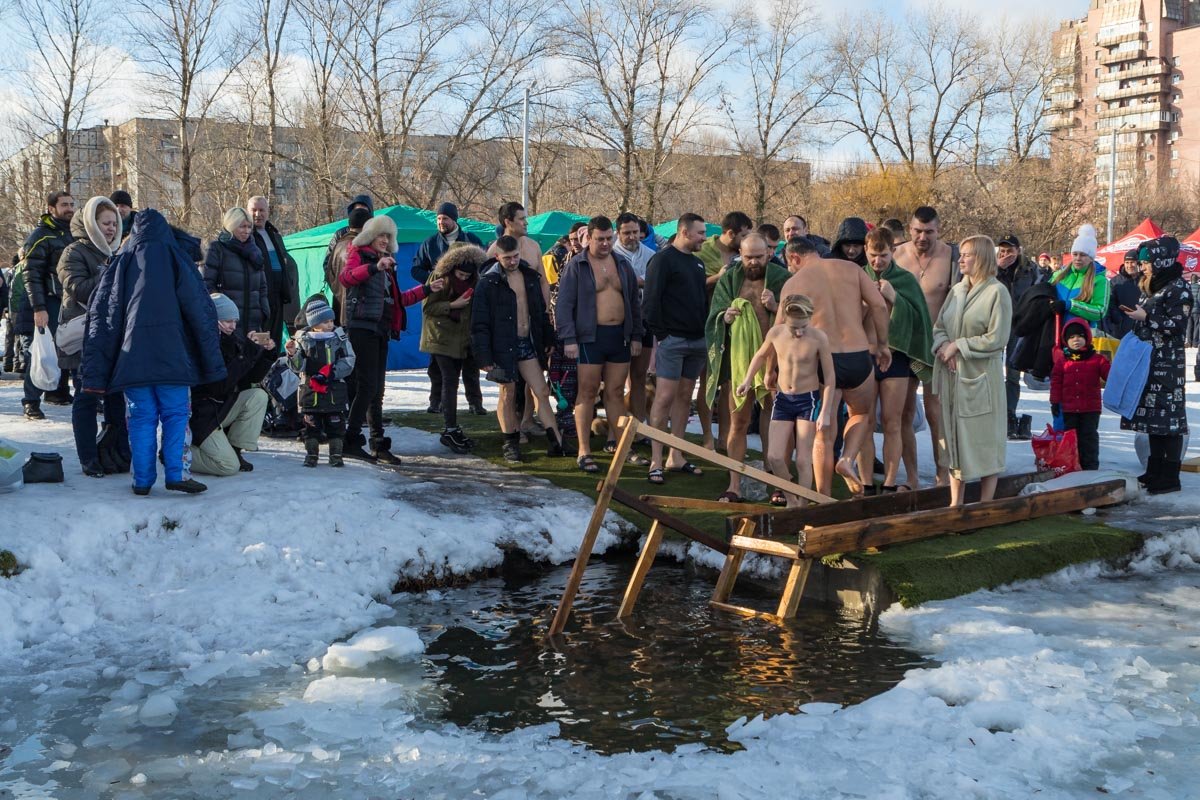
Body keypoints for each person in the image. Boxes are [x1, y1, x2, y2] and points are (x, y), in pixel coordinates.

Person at [80, 209, 225, 496]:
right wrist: (209, 357)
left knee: (141, 418)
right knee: (176, 415)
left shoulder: (121, 263)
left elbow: (103, 316)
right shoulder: (178, 259)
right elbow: (200, 310)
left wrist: (97, 369)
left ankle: (142, 480)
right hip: (174, 358)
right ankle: (177, 473)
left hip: (133, 360)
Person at [776, 236, 890, 496]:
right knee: (861, 414)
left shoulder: (794, 282)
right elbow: (879, 305)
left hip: (820, 361)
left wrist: (773, 369)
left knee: (823, 432)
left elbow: (779, 330)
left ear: (794, 258)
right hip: (857, 355)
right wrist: (883, 344)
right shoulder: (852, 268)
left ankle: (822, 496)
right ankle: (847, 458)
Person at [339, 214, 443, 464]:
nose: (385, 240)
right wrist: (375, 267)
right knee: (367, 386)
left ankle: (377, 443)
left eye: (389, 236)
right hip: (362, 328)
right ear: (370, 236)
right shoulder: (358, 253)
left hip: (381, 330)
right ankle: (350, 439)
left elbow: (399, 300)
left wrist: (427, 289)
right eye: (381, 235)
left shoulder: (387, 264)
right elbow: (346, 278)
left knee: (377, 390)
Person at [706, 232, 790, 502]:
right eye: (748, 257)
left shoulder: (781, 278)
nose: (753, 262)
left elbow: (801, 318)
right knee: (738, 421)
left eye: (759, 256)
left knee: (773, 422)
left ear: (769, 253)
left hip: (775, 360)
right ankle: (734, 485)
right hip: (740, 361)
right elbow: (714, 315)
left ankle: (777, 481)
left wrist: (775, 307)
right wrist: (725, 317)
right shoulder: (730, 279)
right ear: (740, 255)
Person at [931, 235, 1012, 507]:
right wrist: (944, 346)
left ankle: (986, 503)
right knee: (954, 436)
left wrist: (960, 346)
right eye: (961, 254)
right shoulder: (956, 291)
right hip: (953, 377)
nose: (961, 259)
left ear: (982, 258)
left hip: (981, 378)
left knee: (984, 439)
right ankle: (956, 502)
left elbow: (997, 337)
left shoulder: (997, 292)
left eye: (968, 255)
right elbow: (939, 327)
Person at [556, 215, 643, 472]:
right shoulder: (577, 265)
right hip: (590, 337)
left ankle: (622, 446)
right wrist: (569, 339)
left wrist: (636, 335)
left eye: (608, 238)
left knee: (615, 392)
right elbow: (564, 305)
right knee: (587, 392)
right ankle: (584, 450)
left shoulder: (622, 264)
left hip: (619, 336)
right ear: (589, 238)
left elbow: (634, 302)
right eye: (600, 239)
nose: (605, 243)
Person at [471, 235, 564, 462]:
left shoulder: (529, 275)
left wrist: (548, 337)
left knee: (541, 390)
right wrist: (483, 355)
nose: (512, 261)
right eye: (507, 258)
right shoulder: (487, 282)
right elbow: (479, 322)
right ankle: (510, 442)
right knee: (508, 393)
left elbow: (540, 310)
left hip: (527, 341)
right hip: (502, 345)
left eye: (515, 257)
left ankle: (557, 442)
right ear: (497, 257)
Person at [736, 294, 834, 506]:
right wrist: (747, 380)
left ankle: (803, 506)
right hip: (782, 398)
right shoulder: (776, 333)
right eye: (793, 328)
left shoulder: (819, 338)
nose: (799, 332)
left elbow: (830, 378)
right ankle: (792, 500)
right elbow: (760, 356)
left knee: (803, 460)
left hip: (808, 400)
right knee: (774, 457)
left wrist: (825, 411)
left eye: (803, 327)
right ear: (784, 319)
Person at [57, 196, 127, 476]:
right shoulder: (73, 252)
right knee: (86, 396)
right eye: (105, 223)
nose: (111, 229)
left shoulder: (117, 252)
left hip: (112, 335)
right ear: (91, 224)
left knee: (116, 396)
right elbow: (79, 290)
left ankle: (115, 451)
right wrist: (109, 273)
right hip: (84, 335)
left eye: (114, 224)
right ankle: (88, 457)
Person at [863, 227, 933, 492]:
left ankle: (891, 482)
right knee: (865, 421)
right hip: (866, 356)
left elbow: (920, 320)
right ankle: (866, 483)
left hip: (896, 357)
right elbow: (845, 318)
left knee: (894, 421)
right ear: (866, 251)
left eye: (883, 255)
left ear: (892, 251)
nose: (877, 261)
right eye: (873, 255)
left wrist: (895, 298)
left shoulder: (905, 280)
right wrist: (865, 301)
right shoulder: (858, 276)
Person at [1120, 237, 1192, 494]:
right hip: (1150, 361)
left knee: (1169, 421)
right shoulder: (1153, 285)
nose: (1142, 267)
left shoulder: (1179, 288)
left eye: (1146, 262)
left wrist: (1146, 316)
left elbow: (1178, 326)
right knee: (1154, 419)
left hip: (1168, 365)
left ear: (1162, 261)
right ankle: (1154, 470)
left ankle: (1170, 476)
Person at [643, 213, 709, 485]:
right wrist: (663, 336)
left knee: (684, 397)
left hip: (697, 341)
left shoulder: (698, 263)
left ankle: (676, 456)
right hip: (673, 341)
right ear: (684, 232)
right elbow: (650, 302)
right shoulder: (662, 260)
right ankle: (656, 461)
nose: (704, 237)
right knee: (664, 398)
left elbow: (700, 301)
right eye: (700, 233)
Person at [894, 206, 955, 486]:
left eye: (929, 232)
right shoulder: (896, 255)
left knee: (935, 411)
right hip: (904, 345)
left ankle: (943, 473)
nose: (922, 237)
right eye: (917, 231)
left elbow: (956, 304)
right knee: (904, 412)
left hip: (935, 346)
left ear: (938, 230)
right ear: (910, 229)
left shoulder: (950, 257)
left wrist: (950, 343)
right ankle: (913, 477)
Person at [412, 201, 486, 417]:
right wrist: (436, 282)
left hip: (468, 310)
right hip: (442, 316)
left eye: (445, 218)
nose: (441, 222)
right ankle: (436, 401)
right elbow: (416, 269)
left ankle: (475, 402)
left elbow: (484, 267)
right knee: (438, 365)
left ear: (454, 219)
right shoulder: (430, 243)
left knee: (470, 362)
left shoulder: (471, 240)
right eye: (438, 218)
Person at [190, 293, 277, 476]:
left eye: (235, 321)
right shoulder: (203, 344)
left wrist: (267, 354)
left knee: (258, 395)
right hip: (203, 415)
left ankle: (235, 450)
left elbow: (249, 379)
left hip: (221, 409)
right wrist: (247, 354)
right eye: (227, 321)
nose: (233, 326)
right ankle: (177, 455)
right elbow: (219, 386)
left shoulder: (231, 340)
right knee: (228, 467)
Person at [420, 244, 489, 453]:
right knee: (449, 380)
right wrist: (452, 305)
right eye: (460, 274)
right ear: (452, 269)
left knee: (457, 379)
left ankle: (453, 426)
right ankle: (450, 427)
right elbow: (427, 307)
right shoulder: (439, 278)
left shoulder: (476, 280)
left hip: (462, 338)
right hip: (440, 337)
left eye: (467, 275)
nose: (463, 278)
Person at [20, 190, 76, 417]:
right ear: (51, 209)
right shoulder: (40, 236)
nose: (69, 208)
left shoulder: (75, 233)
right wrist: (39, 308)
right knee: (43, 352)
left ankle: (64, 393)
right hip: (50, 301)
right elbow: (31, 275)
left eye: (71, 204)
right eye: (64, 205)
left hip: (72, 301)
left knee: (73, 348)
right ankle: (31, 400)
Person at [288, 296, 356, 468]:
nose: (330, 324)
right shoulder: (303, 340)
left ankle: (336, 455)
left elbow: (349, 360)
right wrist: (292, 354)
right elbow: (298, 367)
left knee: (336, 426)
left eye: (331, 321)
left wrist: (332, 372)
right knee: (310, 426)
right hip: (310, 391)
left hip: (334, 390)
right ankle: (311, 455)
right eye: (325, 322)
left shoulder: (340, 339)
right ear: (314, 324)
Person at [1050, 319, 1110, 471]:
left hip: (1090, 408)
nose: (1076, 340)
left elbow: (1110, 375)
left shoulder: (1097, 359)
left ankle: (1090, 465)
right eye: (1071, 337)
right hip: (1069, 408)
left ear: (1087, 338)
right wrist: (1055, 402)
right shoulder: (1062, 361)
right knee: (1071, 437)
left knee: (1088, 436)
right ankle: (1072, 463)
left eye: (1080, 336)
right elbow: (1056, 382)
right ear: (1066, 340)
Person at [995, 233, 1038, 440]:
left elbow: (1038, 293)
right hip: (995, 323)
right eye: (1002, 251)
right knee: (993, 371)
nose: (1006, 255)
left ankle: (1009, 413)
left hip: (1018, 325)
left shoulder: (1030, 269)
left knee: (1013, 373)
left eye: (1010, 251)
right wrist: (997, 269)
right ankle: (995, 412)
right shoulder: (992, 268)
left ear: (1018, 251)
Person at [614, 212, 656, 425]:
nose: (632, 237)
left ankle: (639, 427)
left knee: (639, 377)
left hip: (644, 319)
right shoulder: (611, 254)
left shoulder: (650, 254)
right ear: (618, 233)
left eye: (635, 232)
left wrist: (636, 281)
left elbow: (654, 284)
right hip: (618, 321)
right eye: (627, 233)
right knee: (616, 380)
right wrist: (638, 281)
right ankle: (617, 428)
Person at [203, 207, 270, 336]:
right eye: (242, 227)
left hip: (253, 323)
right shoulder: (217, 249)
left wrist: (264, 311)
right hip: (227, 323)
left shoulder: (255, 252)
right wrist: (222, 313)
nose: (247, 231)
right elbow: (207, 285)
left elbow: (262, 286)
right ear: (231, 226)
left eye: (249, 227)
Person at [248, 195, 300, 350]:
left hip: (278, 295)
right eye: (254, 210)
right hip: (260, 296)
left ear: (268, 212)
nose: (258, 214)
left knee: (275, 337)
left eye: (261, 210)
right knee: (261, 337)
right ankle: (260, 363)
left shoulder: (274, 235)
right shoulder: (247, 236)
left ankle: (273, 361)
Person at [1049, 225, 1110, 329]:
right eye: (1075, 254)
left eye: (1083, 255)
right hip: (1053, 331)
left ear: (1091, 258)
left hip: (1079, 335)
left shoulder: (1100, 280)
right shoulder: (1059, 274)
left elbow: (1100, 311)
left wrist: (1070, 305)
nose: (1078, 258)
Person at [1103, 249, 1141, 340]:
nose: (1129, 266)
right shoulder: (1115, 282)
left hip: (1141, 326)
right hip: (1121, 329)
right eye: (1127, 262)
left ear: (1138, 263)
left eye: (1132, 262)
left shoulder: (1146, 280)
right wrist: (1117, 318)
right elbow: (1110, 303)